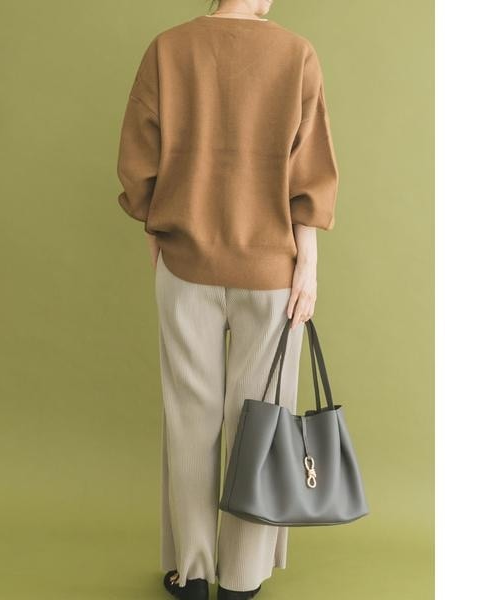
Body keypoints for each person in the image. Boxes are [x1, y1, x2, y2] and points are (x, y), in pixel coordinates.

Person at [116, 0, 339, 598]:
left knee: (190, 421)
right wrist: (308, 267)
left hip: (184, 264)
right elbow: (309, 173)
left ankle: (191, 573)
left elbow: (138, 163)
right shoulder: (295, 54)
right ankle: (242, 578)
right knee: (260, 421)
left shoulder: (168, 48)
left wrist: (156, 229)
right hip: (273, 273)